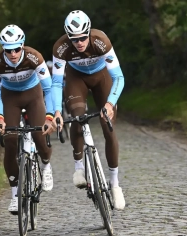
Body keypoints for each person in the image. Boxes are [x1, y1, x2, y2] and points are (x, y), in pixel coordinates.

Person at [51, 10, 125, 210]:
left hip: (102, 78)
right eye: (74, 39)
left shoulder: (101, 41)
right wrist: (56, 111)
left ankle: (115, 184)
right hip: (76, 79)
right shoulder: (61, 47)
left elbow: (119, 77)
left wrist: (109, 104)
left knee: (107, 126)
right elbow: (56, 83)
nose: (80, 42)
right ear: (68, 37)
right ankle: (79, 167)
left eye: (83, 37)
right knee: (77, 118)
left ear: (89, 32)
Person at [0, 24, 54, 214]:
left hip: (34, 95)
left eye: (17, 49)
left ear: (22, 45)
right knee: (9, 140)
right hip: (10, 98)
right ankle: (15, 194)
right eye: (9, 50)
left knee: (40, 135)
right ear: (3, 49)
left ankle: (46, 164)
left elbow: (48, 89)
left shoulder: (35, 57)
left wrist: (49, 117)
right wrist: (0, 118)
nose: (13, 53)